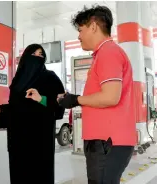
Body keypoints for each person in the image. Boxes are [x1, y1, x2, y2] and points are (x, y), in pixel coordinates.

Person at [57, 5, 136, 184]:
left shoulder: (108, 52)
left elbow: (110, 97)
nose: (78, 36)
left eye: (80, 30)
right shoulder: (103, 54)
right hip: (104, 140)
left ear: (93, 26)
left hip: (107, 141)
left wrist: (75, 99)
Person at [0, 44, 65, 184]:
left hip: (39, 142)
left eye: (41, 55)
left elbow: (60, 106)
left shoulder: (51, 78)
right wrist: (2, 109)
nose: (38, 58)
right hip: (18, 141)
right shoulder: (18, 81)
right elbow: (18, 107)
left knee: (39, 177)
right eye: (34, 54)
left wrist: (41, 98)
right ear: (26, 57)